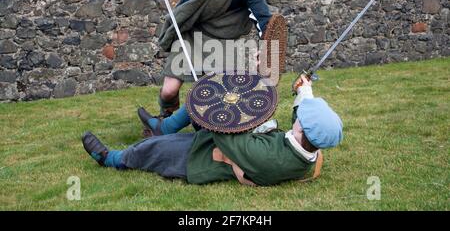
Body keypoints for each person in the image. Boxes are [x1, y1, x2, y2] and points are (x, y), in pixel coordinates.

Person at [82, 75, 343, 186]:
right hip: (214, 143)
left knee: (151, 149)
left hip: (201, 160)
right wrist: (304, 89)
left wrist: (224, 104)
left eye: (303, 119)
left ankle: (111, 159)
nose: (299, 116)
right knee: (196, 108)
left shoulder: (272, 158)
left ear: (301, 131)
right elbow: (303, 115)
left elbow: (225, 133)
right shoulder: (308, 144)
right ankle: (164, 126)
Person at [143, 0, 273, 127]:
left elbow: (263, 18)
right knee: (169, 90)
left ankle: (210, 129)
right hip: (192, 33)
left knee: (221, 96)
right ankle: (166, 117)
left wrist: (267, 50)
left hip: (226, 41)